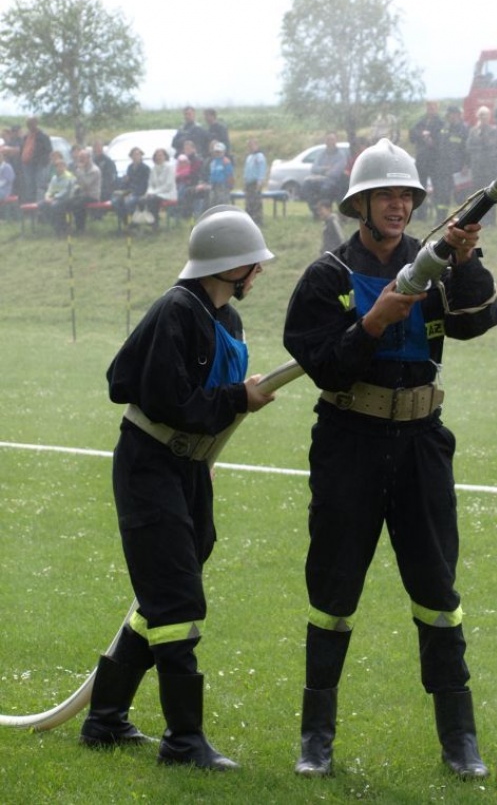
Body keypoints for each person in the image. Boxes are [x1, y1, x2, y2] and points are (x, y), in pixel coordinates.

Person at [283, 138, 497, 781]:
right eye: (387, 196)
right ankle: (315, 739)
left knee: (438, 591)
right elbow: (320, 362)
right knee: (333, 590)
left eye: (407, 196)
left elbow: (478, 321)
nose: (400, 206)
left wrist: (468, 259)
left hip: (422, 445)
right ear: (361, 204)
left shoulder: (434, 263)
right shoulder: (327, 276)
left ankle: (459, 739)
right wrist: (373, 322)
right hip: (349, 441)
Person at [79, 207, 276, 771]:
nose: (257, 275)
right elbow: (164, 398)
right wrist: (238, 399)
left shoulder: (228, 320)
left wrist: (210, 443)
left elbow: (205, 403)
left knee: (167, 591)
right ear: (231, 266)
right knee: (177, 599)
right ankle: (184, 741)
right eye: (253, 266)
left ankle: (104, 718)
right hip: (149, 467)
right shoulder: (175, 311)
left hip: (190, 467)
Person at [53, 148, 101, 234]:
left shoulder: (95, 170)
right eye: (80, 158)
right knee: (63, 203)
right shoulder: (79, 170)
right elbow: (75, 183)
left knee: (77, 205)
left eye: (83, 158)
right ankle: (63, 227)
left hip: (92, 196)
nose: (80, 160)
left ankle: (80, 228)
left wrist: (80, 172)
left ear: (89, 158)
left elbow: (86, 185)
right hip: (81, 195)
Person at [466, 107, 497, 225]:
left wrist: (483, 135)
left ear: (489, 117)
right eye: (481, 115)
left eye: (485, 115)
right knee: (476, 192)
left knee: (490, 192)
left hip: (489, 167)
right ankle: (476, 218)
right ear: (477, 116)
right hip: (476, 166)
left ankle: (490, 220)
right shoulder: (473, 131)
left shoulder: (493, 130)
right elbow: (469, 147)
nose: (483, 118)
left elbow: (491, 144)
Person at [409, 101, 444, 217]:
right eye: (429, 107)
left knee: (437, 188)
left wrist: (432, 140)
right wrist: (422, 134)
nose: (431, 109)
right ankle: (421, 214)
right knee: (420, 187)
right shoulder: (421, 121)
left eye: (433, 107)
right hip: (421, 160)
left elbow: (442, 139)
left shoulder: (440, 123)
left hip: (435, 160)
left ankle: (439, 214)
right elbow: (412, 134)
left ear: (437, 108)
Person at [300, 134, 348, 216]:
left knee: (326, 188)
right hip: (319, 179)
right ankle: (315, 210)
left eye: (332, 140)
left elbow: (335, 173)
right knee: (306, 185)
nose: (330, 142)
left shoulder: (341, 155)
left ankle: (325, 211)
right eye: (328, 140)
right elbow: (314, 168)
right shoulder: (321, 154)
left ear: (335, 142)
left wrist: (323, 171)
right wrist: (324, 169)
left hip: (334, 182)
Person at [435, 105, 469, 210]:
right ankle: (440, 219)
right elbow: (439, 146)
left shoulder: (464, 129)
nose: (452, 117)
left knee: (460, 196)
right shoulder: (444, 128)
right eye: (449, 115)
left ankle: (463, 220)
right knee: (443, 194)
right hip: (444, 167)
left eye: (454, 114)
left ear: (459, 115)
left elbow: (467, 150)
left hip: (458, 167)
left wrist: (466, 165)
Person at [134, 148, 177, 227]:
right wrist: (148, 193)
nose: (159, 157)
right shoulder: (153, 168)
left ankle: (154, 223)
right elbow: (150, 184)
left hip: (168, 194)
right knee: (141, 199)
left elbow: (168, 185)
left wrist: (154, 193)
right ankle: (139, 222)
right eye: (157, 156)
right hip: (155, 193)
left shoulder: (169, 168)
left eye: (161, 155)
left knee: (152, 200)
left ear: (165, 156)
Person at [13, 117, 52, 203]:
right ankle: (30, 207)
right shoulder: (26, 136)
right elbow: (22, 148)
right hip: (27, 165)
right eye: (28, 124)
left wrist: (41, 161)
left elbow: (48, 150)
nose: (30, 126)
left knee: (40, 186)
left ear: (36, 123)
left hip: (40, 165)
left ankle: (40, 207)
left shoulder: (43, 136)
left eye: (31, 124)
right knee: (29, 186)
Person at [111, 147, 151, 227]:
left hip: (139, 192)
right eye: (134, 155)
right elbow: (127, 183)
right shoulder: (130, 167)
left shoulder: (145, 168)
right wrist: (125, 181)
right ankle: (125, 221)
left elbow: (145, 184)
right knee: (116, 201)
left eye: (138, 155)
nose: (136, 157)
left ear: (141, 156)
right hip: (129, 191)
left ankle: (134, 223)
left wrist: (133, 193)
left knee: (129, 202)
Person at [37, 154, 76, 226]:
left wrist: (54, 198)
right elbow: (50, 189)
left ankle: (62, 226)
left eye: (62, 166)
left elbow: (65, 191)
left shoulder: (69, 176)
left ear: (65, 167)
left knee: (54, 206)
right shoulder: (54, 178)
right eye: (57, 166)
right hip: (54, 198)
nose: (60, 168)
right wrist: (47, 197)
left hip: (66, 199)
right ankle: (51, 223)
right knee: (41, 205)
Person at [242, 137, 267, 226]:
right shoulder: (249, 157)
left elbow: (262, 169)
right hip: (248, 183)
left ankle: (258, 221)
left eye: (252, 145)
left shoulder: (260, 156)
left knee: (256, 202)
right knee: (249, 202)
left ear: (256, 145)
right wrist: (244, 180)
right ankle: (249, 220)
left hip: (255, 182)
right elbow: (246, 170)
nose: (250, 147)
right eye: (249, 146)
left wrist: (260, 181)